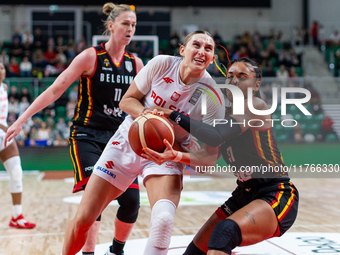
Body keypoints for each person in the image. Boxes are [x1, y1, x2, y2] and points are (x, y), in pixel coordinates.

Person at [17, 30, 224, 255]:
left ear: (212, 58)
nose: (202, 51)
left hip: (168, 153)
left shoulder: (212, 96)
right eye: (196, 45)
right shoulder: (161, 64)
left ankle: (117, 249)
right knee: (85, 219)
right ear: (183, 50)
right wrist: (149, 116)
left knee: (163, 221)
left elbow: (211, 158)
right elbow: (127, 101)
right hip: (129, 140)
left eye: (208, 48)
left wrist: (177, 156)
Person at [5, 3, 144, 255]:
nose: (130, 29)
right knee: (96, 199)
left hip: (120, 139)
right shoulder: (91, 56)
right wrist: (22, 119)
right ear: (111, 26)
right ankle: (88, 253)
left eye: (133, 25)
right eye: (125, 23)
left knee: (132, 201)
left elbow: (148, 102)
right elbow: (56, 89)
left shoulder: (136, 64)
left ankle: (116, 250)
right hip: (87, 135)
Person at [142, 58, 299, 255]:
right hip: (243, 194)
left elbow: (215, 136)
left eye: (242, 77)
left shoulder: (255, 105)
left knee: (225, 231)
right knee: (194, 252)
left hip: (275, 193)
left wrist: (173, 114)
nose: (234, 81)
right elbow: (208, 159)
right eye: (230, 76)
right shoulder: (223, 115)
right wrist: (176, 155)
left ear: (256, 85)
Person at [0, 62, 36, 229]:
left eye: (2, 67)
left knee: (16, 173)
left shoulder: (4, 88)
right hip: (3, 131)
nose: (0, 70)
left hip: (3, 135)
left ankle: (17, 216)